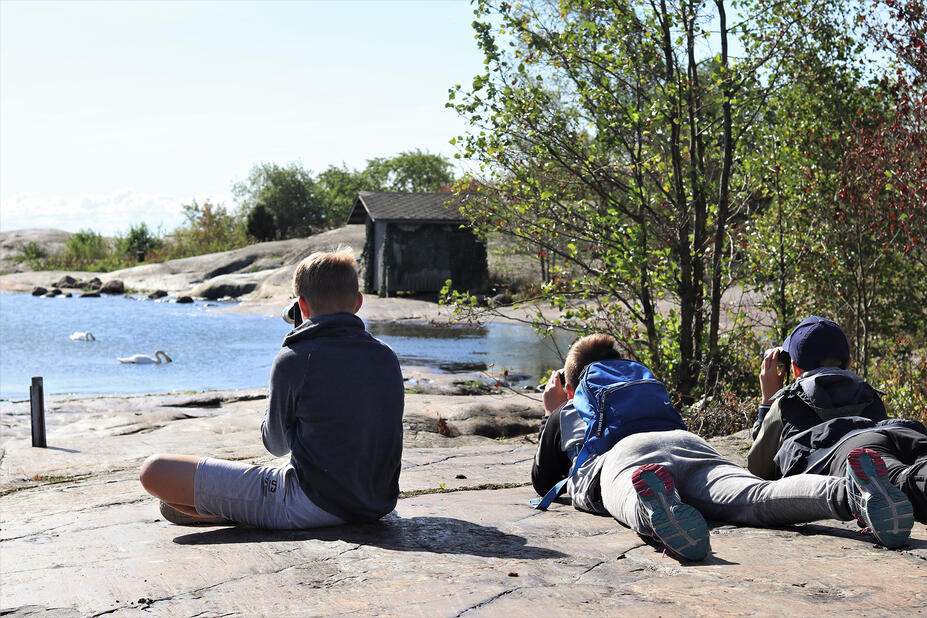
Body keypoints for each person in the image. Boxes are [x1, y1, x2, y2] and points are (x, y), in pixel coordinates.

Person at [532, 333, 914, 560]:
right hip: (689, 445)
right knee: (757, 496)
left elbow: (542, 480)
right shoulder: (638, 386)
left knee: (627, 495)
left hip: (625, 458)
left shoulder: (566, 409)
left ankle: (656, 510)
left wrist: (553, 412)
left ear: (571, 385)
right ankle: (849, 493)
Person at [139, 248, 404, 529]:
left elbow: (274, 444)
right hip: (376, 504)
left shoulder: (295, 359)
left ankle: (241, 511)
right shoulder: (385, 356)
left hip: (308, 504)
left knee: (154, 471)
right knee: (173, 502)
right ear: (358, 303)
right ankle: (238, 509)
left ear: (302, 306)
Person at [747, 315, 925, 524]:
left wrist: (767, 404)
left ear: (794, 368)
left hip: (850, 448)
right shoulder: (869, 392)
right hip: (904, 432)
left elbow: (758, 468)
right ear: (848, 363)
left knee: (896, 480)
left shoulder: (789, 401)